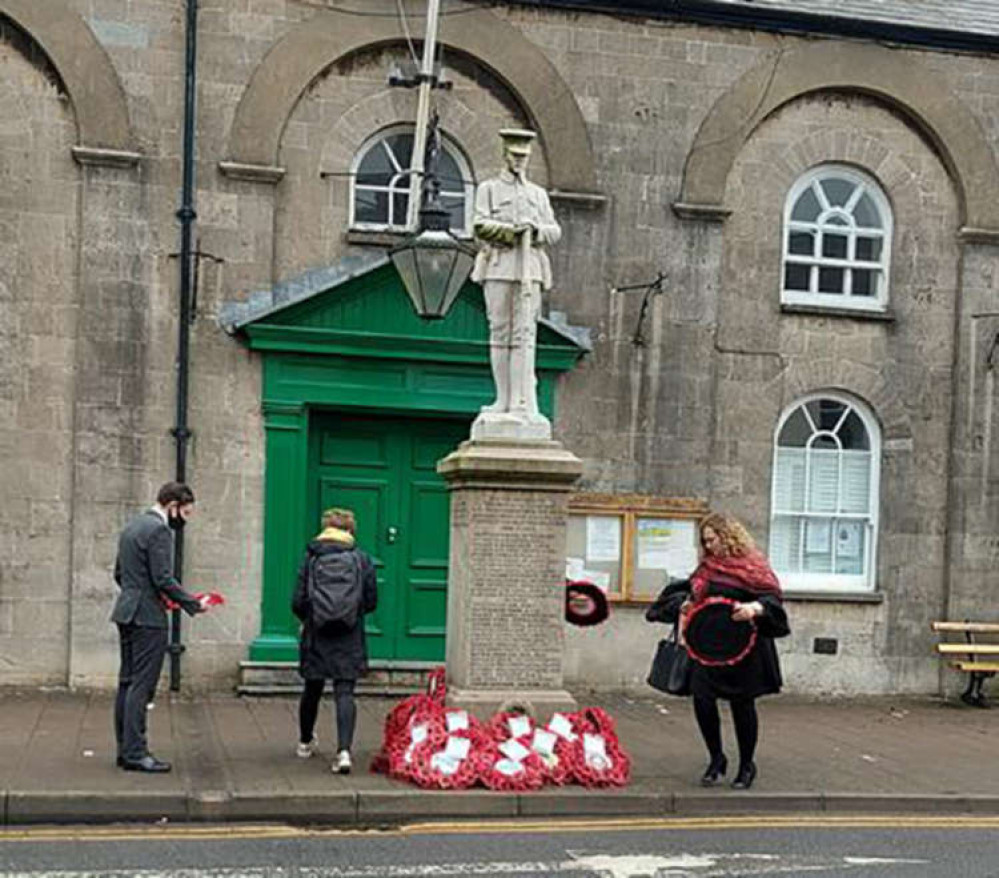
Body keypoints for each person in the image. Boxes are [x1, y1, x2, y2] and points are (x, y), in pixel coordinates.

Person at [681, 513, 789, 790]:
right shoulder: (707, 566)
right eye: (704, 542)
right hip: (708, 647)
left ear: (726, 536)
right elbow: (693, 593)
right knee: (702, 700)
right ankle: (716, 759)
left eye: (711, 540)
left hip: (745, 647)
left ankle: (746, 765)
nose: (708, 547)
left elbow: (772, 599)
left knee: (742, 705)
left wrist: (754, 608)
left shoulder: (752, 565)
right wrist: (687, 604)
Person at [111, 481, 204, 773]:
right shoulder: (159, 530)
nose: (184, 521)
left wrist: (140, 594)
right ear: (172, 506)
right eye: (185, 514)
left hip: (126, 612)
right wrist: (192, 603)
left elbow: (119, 573)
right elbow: (163, 577)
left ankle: (125, 750)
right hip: (148, 618)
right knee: (142, 685)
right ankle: (137, 753)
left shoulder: (133, 526)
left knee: (127, 683)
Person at [471, 128, 561, 425]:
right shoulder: (489, 189)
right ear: (505, 155)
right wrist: (511, 232)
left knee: (525, 335)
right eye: (515, 155)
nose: (520, 161)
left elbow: (554, 230)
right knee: (500, 333)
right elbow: (479, 224)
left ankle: (523, 402)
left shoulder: (537, 194)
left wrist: (534, 230)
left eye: (524, 157)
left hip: (530, 269)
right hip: (500, 265)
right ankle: (503, 400)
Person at [291, 507, 377, 774]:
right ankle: (343, 752)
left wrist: (309, 618)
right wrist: (352, 612)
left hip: (317, 632)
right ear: (350, 530)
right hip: (349, 634)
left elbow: (297, 600)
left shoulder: (312, 556)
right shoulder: (361, 559)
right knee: (344, 692)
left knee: (312, 689)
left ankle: (305, 742)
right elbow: (371, 600)